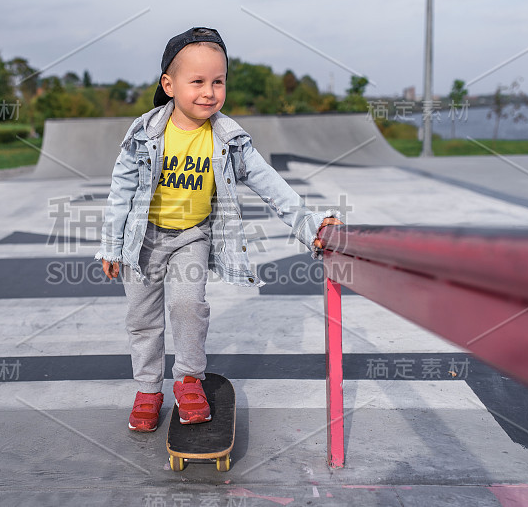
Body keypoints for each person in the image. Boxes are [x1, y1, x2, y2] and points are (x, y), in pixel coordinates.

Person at [96, 26, 343, 432]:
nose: (209, 92)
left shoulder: (228, 139)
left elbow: (269, 182)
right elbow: (120, 188)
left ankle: (189, 379)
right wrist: (111, 245)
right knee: (142, 319)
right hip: (142, 241)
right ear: (169, 84)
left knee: (188, 306)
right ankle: (147, 390)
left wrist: (309, 224)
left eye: (218, 81)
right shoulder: (144, 133)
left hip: (191, 236)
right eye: (197, 82)